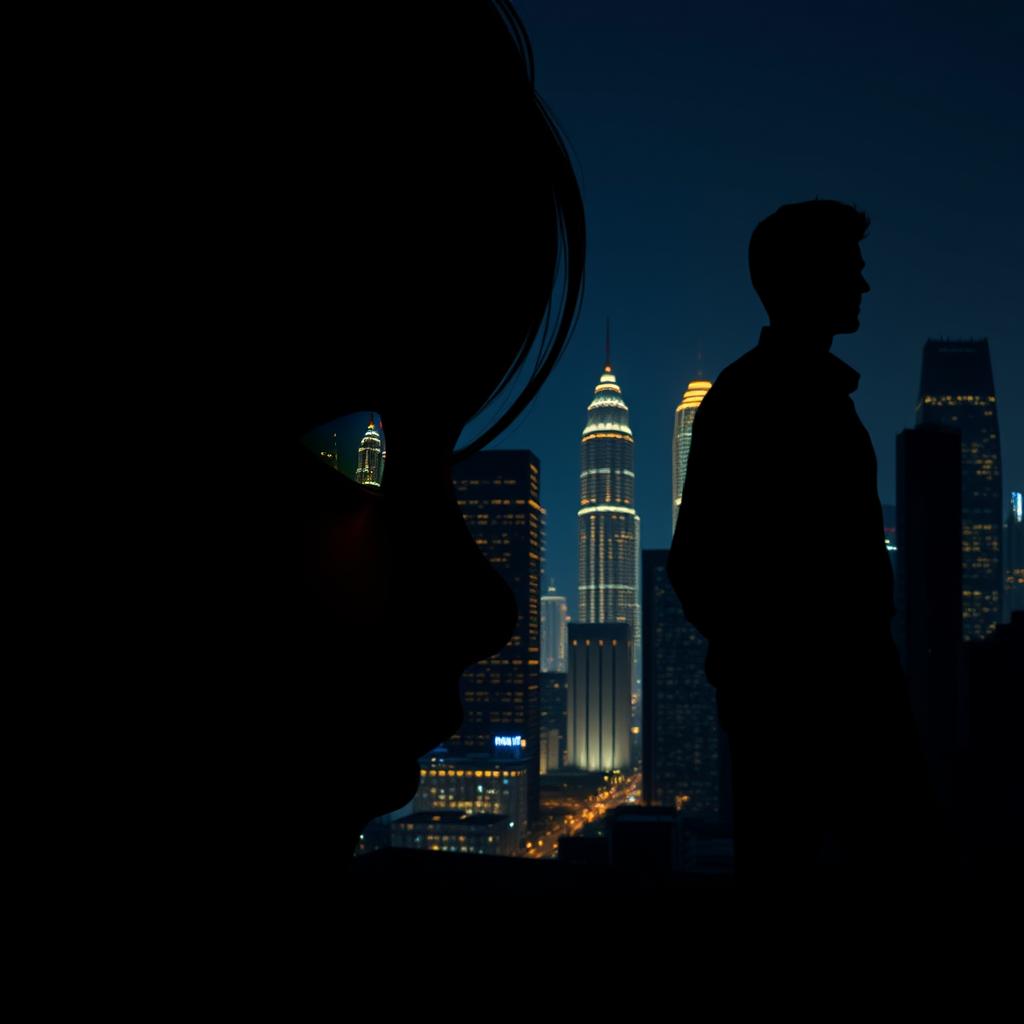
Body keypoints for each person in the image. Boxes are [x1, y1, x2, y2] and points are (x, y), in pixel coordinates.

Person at [668, 200, 937, 896]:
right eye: (850, 269)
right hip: (815, 703)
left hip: (821, 695)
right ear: (805, 278)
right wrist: (775, 664)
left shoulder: (786, 395)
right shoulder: (760, 398)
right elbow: (698, 562)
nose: (864, 285)